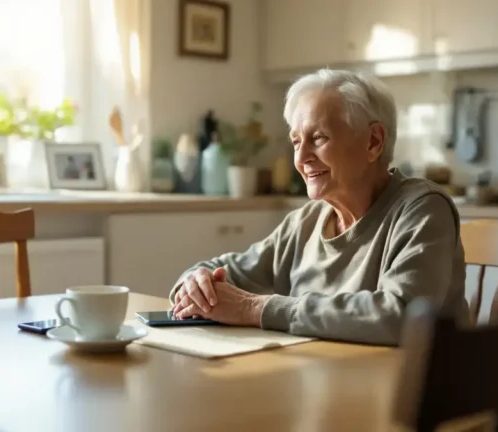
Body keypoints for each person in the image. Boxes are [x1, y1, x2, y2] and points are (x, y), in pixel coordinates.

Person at [169, 69, 469, 345]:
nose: (301, 159)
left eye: (318, 138)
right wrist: (195, 284)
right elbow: (226, 270)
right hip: (326, 384)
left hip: (411, 398)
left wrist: (255, 308)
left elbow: (402, 317)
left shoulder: (422, 209)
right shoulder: (305, 221)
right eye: (297, 141)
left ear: (373, 142)